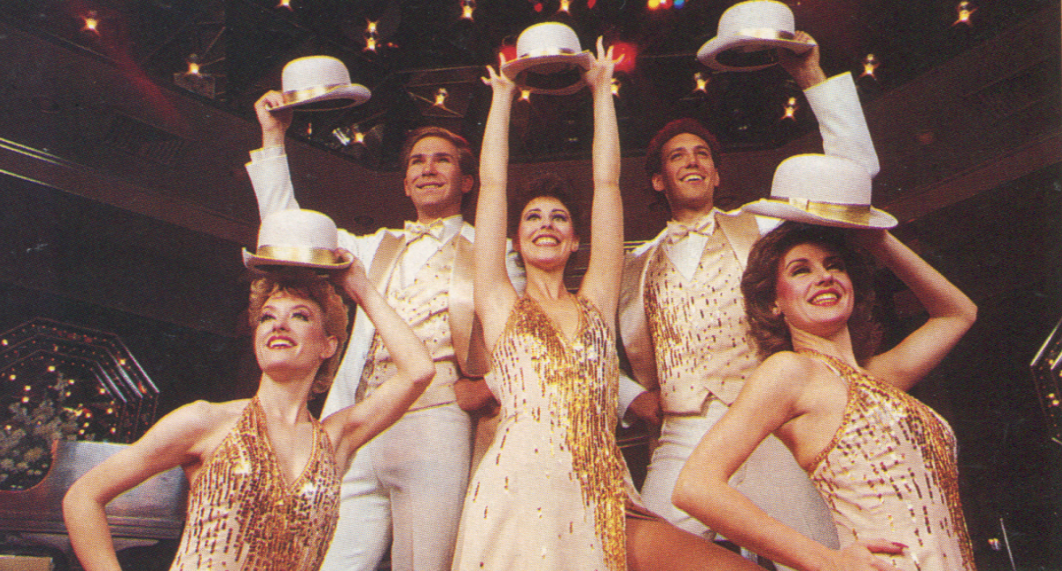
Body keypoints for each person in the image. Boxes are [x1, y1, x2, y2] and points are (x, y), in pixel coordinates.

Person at [451, 39, 762, 571]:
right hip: (519, 490)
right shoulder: (499, 302)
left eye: (559, 218)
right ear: (514, 241)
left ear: (576, 240)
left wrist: (601, 90)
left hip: (602, 487)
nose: (546, 224)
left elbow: (607, 183)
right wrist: (501, 96)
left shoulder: (595, 299)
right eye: (533, 218)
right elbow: (494, 185)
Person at [616, 33, 876, 563]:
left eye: (702, 154)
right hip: (682, 432)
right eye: (677, 156)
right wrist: (631, 397)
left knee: (813, 557)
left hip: (765, 425)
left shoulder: (758, 226)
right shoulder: (633, 266)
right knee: (643, 556)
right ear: (659, 180)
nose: (692, 161)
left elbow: (853, 181)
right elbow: (584, 341)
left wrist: (812, 78)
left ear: (716, 172)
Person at [62, 222, 436, 571]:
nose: (279, 325)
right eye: (268, 317)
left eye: (300, 316)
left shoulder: (335, 438)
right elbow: (82, 497)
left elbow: (419, 370)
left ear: (328, 345)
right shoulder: (205, 421)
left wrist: (361, 287)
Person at [246, 96, 518, 570]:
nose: (427, 169)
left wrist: (488, 386)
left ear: (467, 181)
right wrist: (273, 137)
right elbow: (289, 231)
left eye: (442, 160)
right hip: (362, 420)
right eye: (417, 161)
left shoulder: (495, 252)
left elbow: (523, 342)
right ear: (406, 183)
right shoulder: (374, 247)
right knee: (328, 561)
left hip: (437, 423)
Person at [672, 220, 978, 570]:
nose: (824, 277)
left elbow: (958, 314)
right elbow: (694, 486)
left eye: (835, 265)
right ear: (773, 301)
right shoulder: (790, 372)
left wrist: (878, 239)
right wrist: (827, 562)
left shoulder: (879, 378)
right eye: (801, 270)